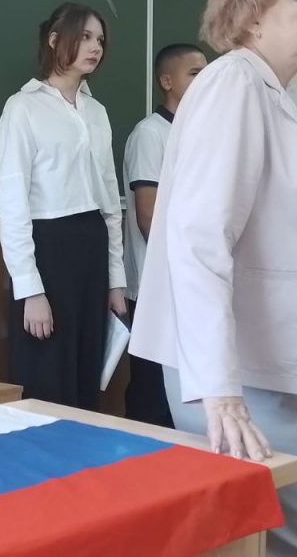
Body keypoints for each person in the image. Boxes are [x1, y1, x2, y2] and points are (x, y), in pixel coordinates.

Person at [129, 0, 297, 557]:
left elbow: (290, 246)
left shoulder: (271, 94)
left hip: (269, 368)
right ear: (253, 15)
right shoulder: (233, 84)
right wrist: (221, 390)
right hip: (238, 377)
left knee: (270, 545)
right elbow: (198, 239)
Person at [0, 2, 127, 411]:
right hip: (48, 247)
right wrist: (30, 289)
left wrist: (116, 280)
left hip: (91, 245)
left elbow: (110, 200)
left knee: (87, 370)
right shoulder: (23, 107)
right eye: (85, 37)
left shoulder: (97, 112)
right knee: (46, 372)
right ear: (55, 40)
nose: (95, 47)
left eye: (100, 39)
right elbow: (12, 203)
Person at [122, 43, 207, 427]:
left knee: (184, 394)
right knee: (153, 393)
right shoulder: (150, 133)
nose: (203, 81)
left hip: (191, 283)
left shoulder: (200, 133)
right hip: (156, 285)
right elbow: (148, 216)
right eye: (194, 73)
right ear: (167, 81)